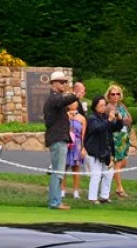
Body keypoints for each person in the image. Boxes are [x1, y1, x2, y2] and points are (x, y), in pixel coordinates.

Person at [43, 71, 78, 210]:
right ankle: (54, 202)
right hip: (57, 139)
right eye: (62, 82)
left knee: (58, 172)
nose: (64, 84)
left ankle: (56, 201)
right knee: (58, 172)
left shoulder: (56, 99)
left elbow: (63, 102)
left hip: (59, 139)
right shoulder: (54, 98)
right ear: (54, 83)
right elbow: (62, 101)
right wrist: (75, 96)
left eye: (65, 82)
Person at [84, 95, 123, 204]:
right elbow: (97, 128)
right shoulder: (92, 118)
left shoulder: (105, 117)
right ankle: (92, 198)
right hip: (95, 151)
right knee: (96, 175)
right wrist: (109, 120)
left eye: (104, 105)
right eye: (100, 105)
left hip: (106, 151)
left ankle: (104, 197)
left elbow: (116, 128)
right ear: (95, 107)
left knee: (108, 174)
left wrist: (119, 119)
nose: (103, 107)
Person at [107, 84, 133, 198]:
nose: (115, 96)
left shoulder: (121, 105)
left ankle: (106, 181)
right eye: (113, 94)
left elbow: (129, 119)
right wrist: (122, 120)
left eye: (118, 94)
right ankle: (119, 188)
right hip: (115, 137)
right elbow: (114, 122)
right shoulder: (109, 107)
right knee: (117, 163)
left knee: (123, 163)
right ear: (109, 95)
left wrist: (122, 119)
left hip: (124, 136)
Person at [64, 99, 85, 199]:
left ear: (77, 104)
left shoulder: (82, 118)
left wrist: (83, 149)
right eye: (70, 102)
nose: (72, 103)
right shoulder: (63, 116)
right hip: (66, 143)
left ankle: (76, 191)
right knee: (63, 168)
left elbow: (83, 135)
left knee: (76, 169)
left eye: (74, 101)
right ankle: (62, 190)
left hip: (76, 144)